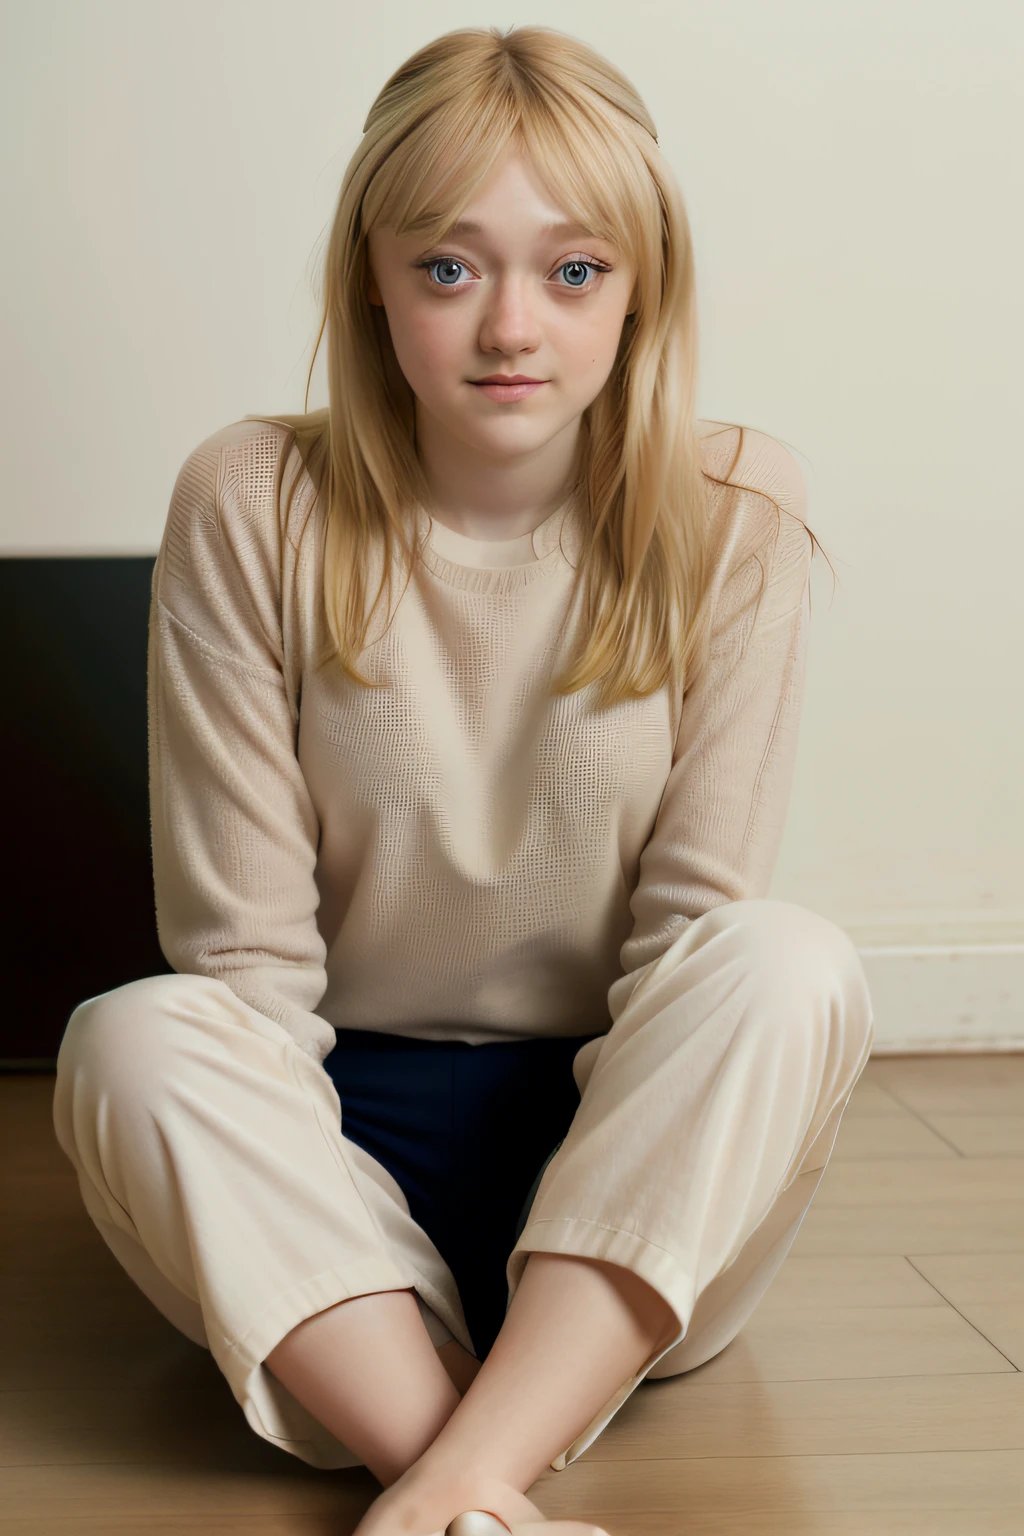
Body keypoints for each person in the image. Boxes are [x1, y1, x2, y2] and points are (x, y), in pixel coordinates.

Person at [52, 23, 874, 1536]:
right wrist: (300, 1206)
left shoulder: (739, 507)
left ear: (641, 289)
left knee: (785, 960)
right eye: (449, 267)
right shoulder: (250, 495)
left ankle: (446, 1474)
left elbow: (692, 945)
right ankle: (473, 1470)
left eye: (573, 272)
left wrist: (611, 1177)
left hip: (631, 1168)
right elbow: (243, 972)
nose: (511, 325)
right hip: (331, 1180)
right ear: (373, 274)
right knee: (132, 1041)